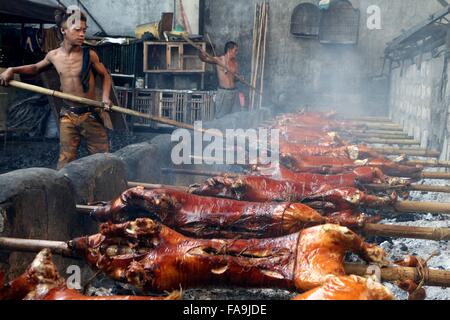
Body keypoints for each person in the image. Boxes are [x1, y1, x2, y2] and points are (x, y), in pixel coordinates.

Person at [0, 9, 112, 169]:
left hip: (90, 113)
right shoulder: (54, 55)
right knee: (66, 159)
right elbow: (35, 68)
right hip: (68, 114)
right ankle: (65, 190)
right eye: (77, 30)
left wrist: (106, 98)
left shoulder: (90, 54)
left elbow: (106, 75)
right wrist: (12, 69)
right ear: (63, 30)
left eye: (84, 30)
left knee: (102, 158)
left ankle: (105, 190)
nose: (82, 34)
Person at [199, 41, 241, 119]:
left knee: (236, 116)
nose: (237, 52)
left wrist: (240, 78)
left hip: (234, 92)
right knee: (221, 117)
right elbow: (204, 59)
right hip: (224, 93)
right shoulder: (219, 60)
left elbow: (235, 78)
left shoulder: (235, 63)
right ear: (229, 50)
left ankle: (232, 130)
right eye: (235, 50)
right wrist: (201, 54)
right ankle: (219, 131)